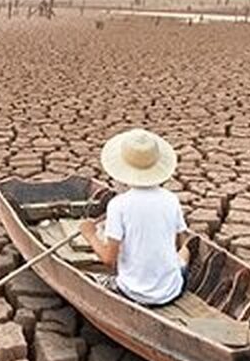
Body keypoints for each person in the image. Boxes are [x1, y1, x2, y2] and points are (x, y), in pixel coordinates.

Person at [78, 128, 190, 306]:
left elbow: (108, 259)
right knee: (185, 253)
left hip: (133, 293)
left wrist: (90, 234)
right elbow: (180, 243)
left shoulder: (119, 204)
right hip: (172, 291)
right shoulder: (171, 199)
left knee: (92, 278)